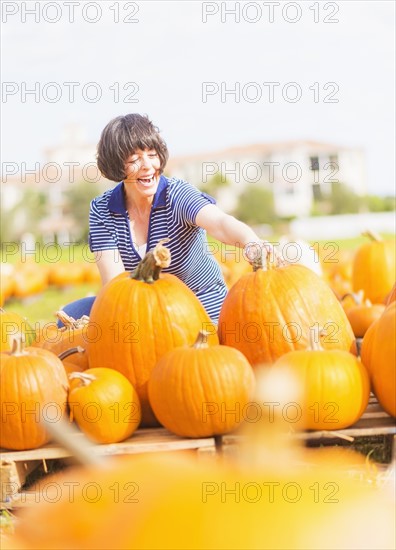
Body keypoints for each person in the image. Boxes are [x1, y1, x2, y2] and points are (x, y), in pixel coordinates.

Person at [61, 113, 275, 325]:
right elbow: (114, 283)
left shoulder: (177, 194)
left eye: (152, 154)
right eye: (135, 159)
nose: (147, 165)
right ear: (117, 165)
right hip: (142, 306)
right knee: (70, 317)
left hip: (198, 303)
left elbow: (220, 223)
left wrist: (250, 241)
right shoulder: (103, 209)